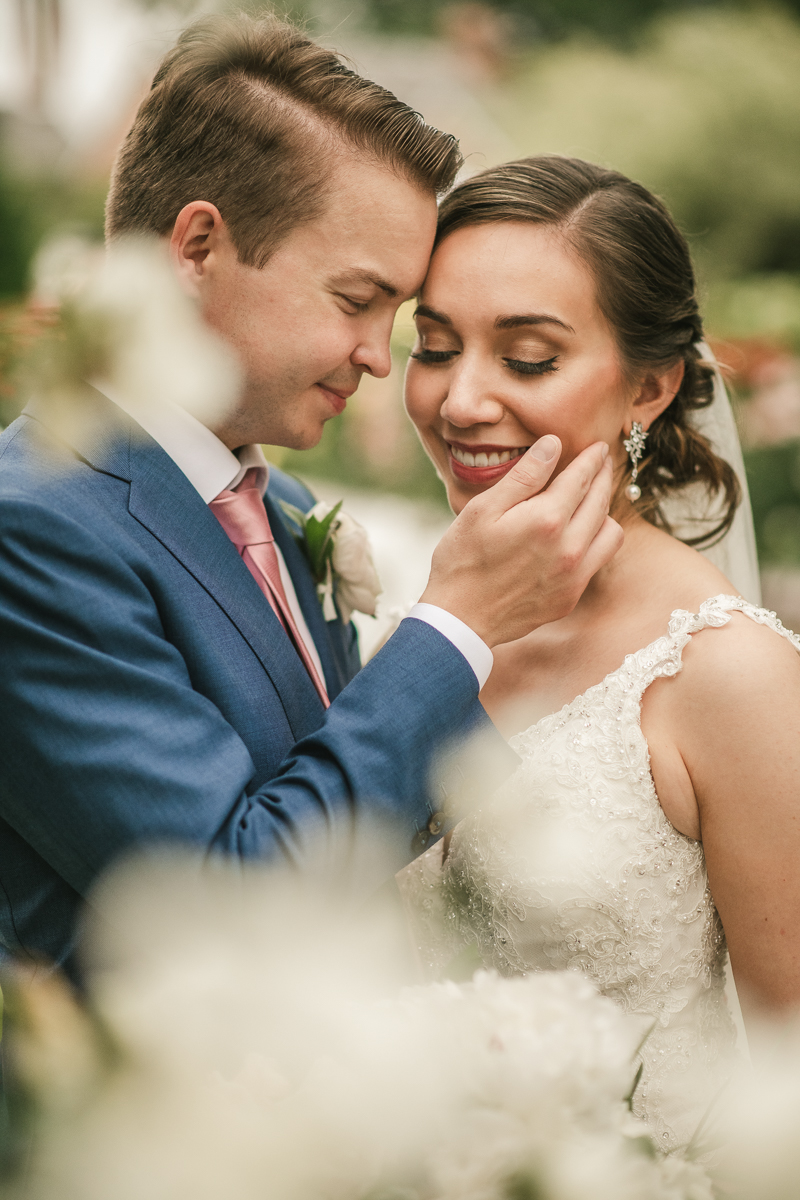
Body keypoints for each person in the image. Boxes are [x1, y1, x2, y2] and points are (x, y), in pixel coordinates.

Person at [0, 22, 621, 975]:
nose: (380, 356)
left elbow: (349, 811)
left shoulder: (279, 504)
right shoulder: (31, 526)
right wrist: (456, 625)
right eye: (356, 299)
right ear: (199, 245)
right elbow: (235, 897)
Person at [398, 155, 800, 1153]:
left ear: (648, 388)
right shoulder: (421, 622)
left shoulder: (724, 675)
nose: (458, 402)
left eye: (526, 359)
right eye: (434, 347)